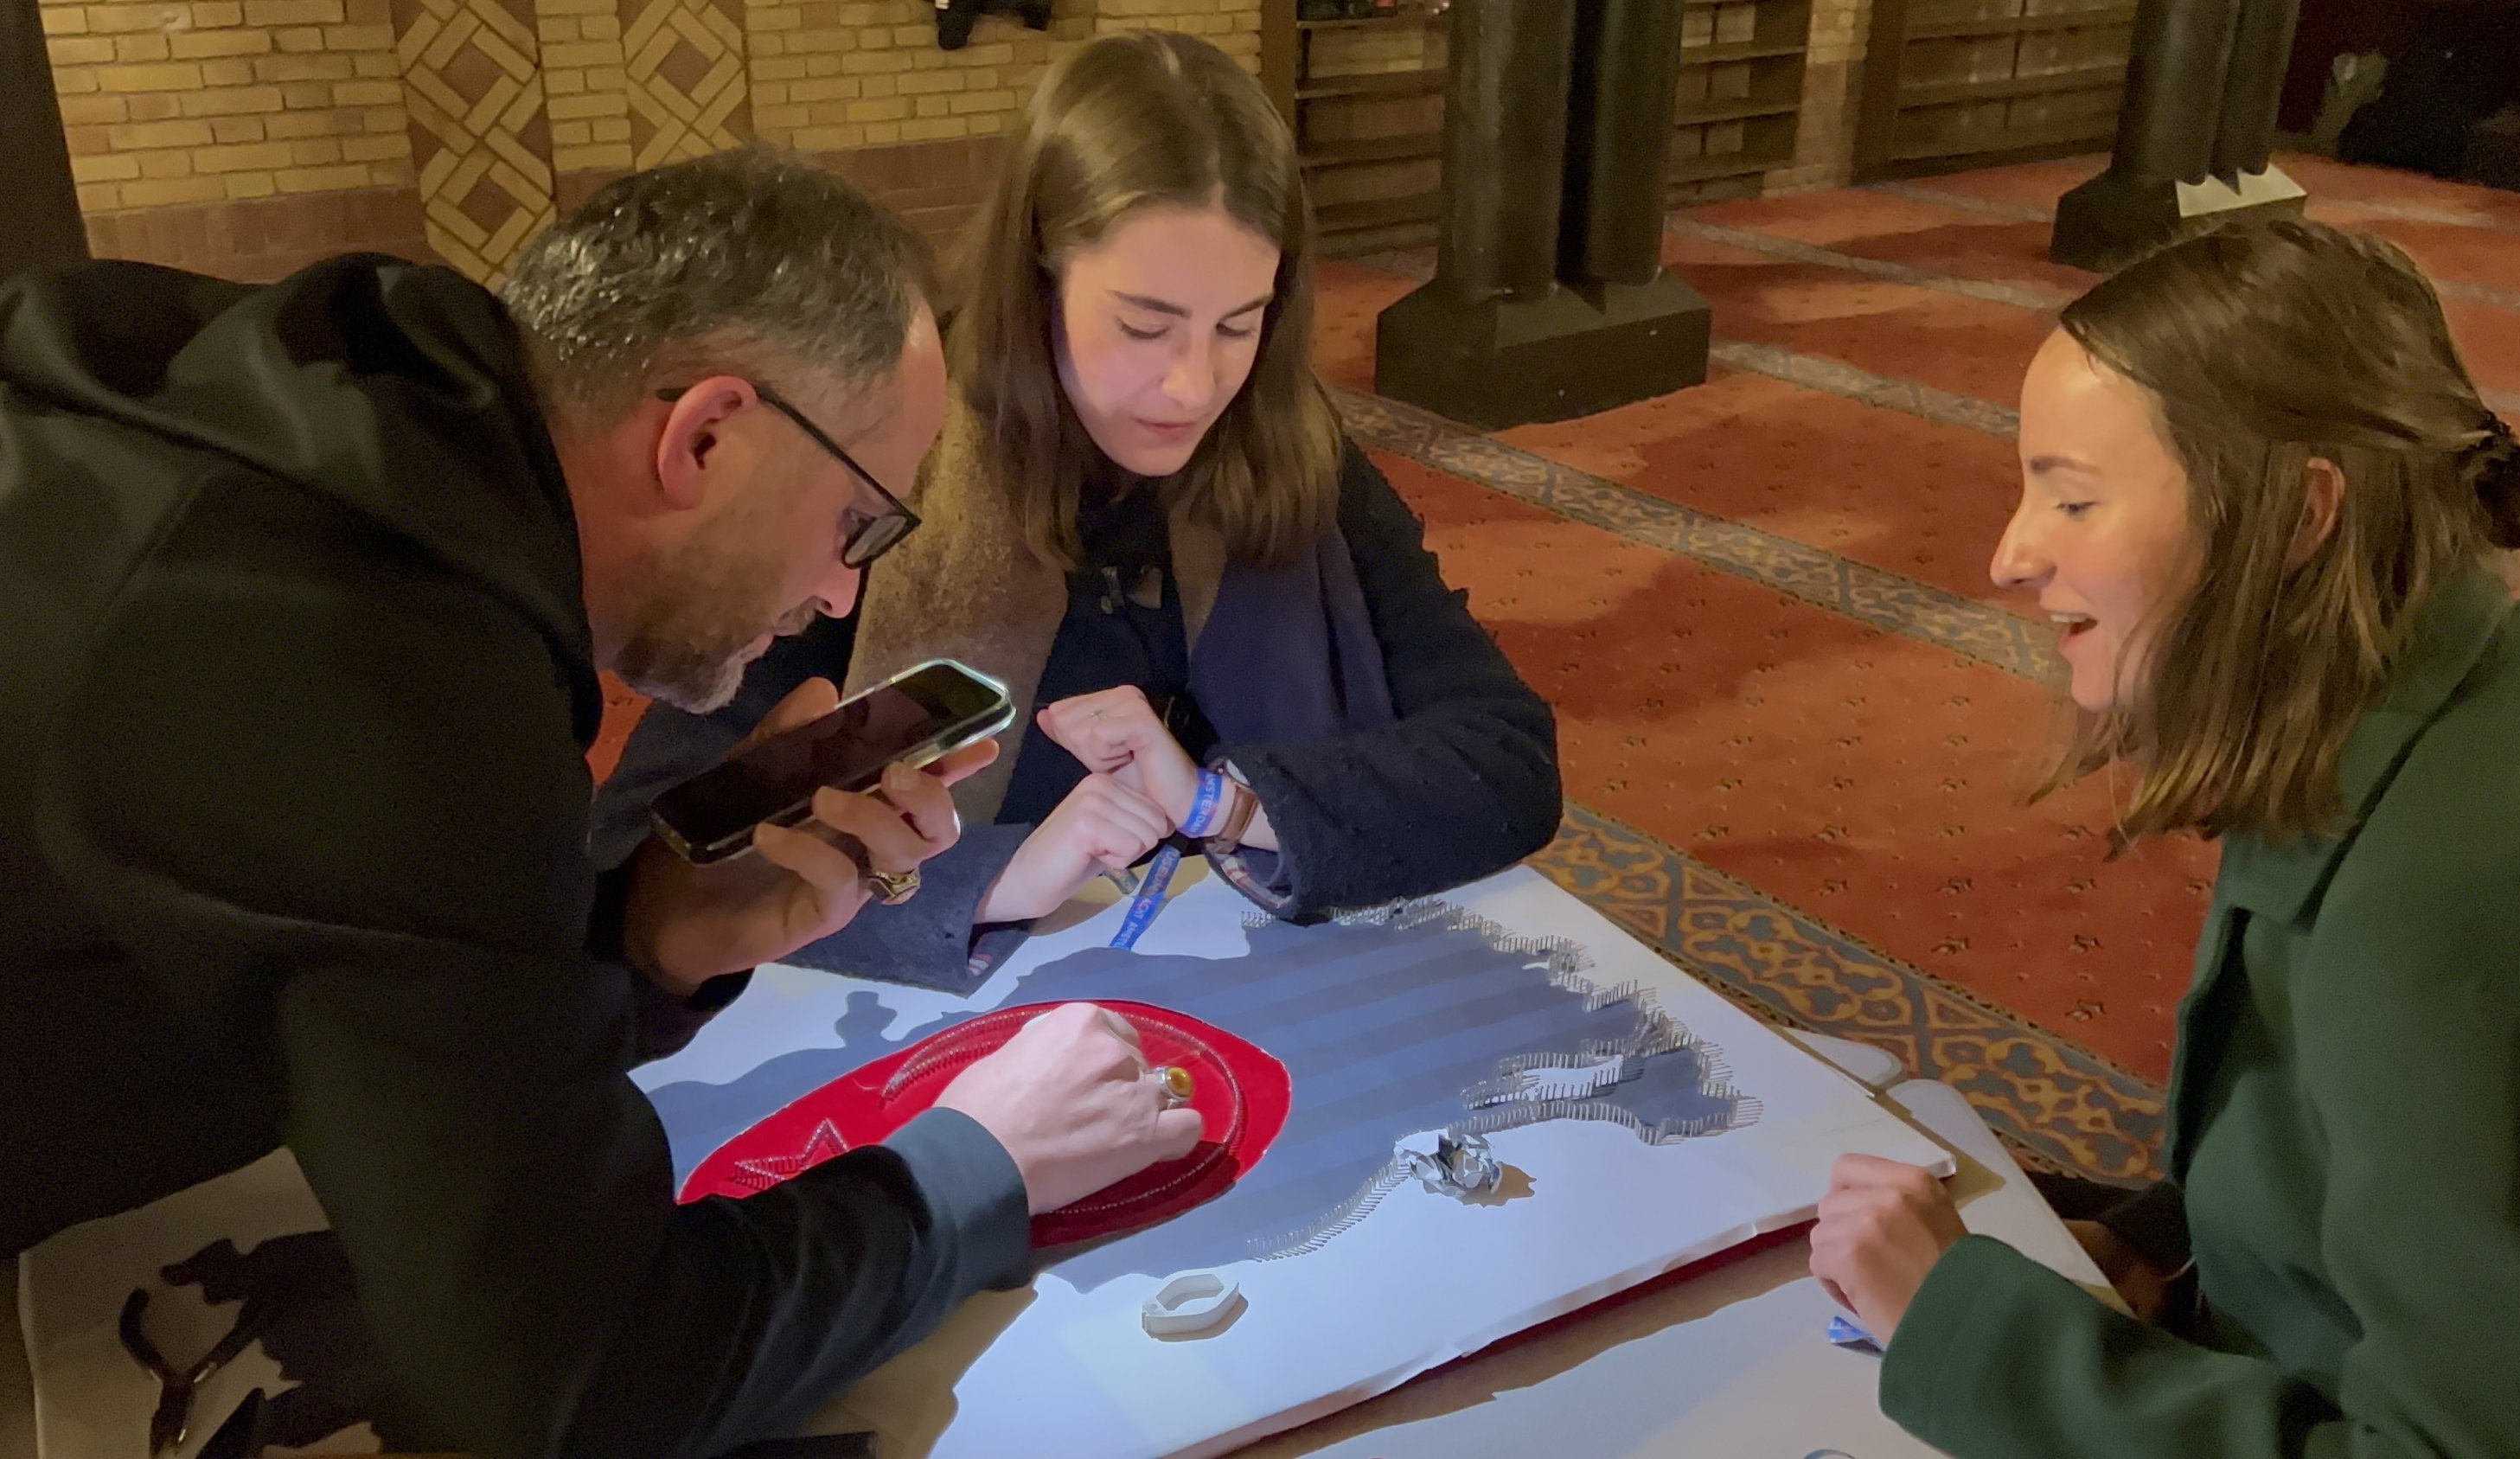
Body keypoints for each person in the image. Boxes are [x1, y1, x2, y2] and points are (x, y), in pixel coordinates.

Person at [0, 150, 1202, 1458]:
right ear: (707, 435)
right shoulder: (361, 666)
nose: (846, 594)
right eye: (859, 520)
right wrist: (980, 1161)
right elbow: (573, 1380)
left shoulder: (345, 427)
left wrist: (642, 938)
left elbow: (363, 952)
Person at [1807, 218, 2520, 1456]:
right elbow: (2372, 1157)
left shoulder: (2447, 891)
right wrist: (2170, 1232)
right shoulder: (2442, 687)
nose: (2011, 553)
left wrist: (1978, 1333)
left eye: (2072, 496)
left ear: (2293, 515)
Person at [592, 31, 1563, 987]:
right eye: (1144, 325)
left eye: (1239, 325)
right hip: (963, 1036)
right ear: (1038, 285)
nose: (1193, 386)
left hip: (1261, 993)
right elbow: (642, 851)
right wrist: (992, 877)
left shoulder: (1285, 445)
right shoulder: (895, 460)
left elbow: (1508, 763)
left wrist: (1224, 804)